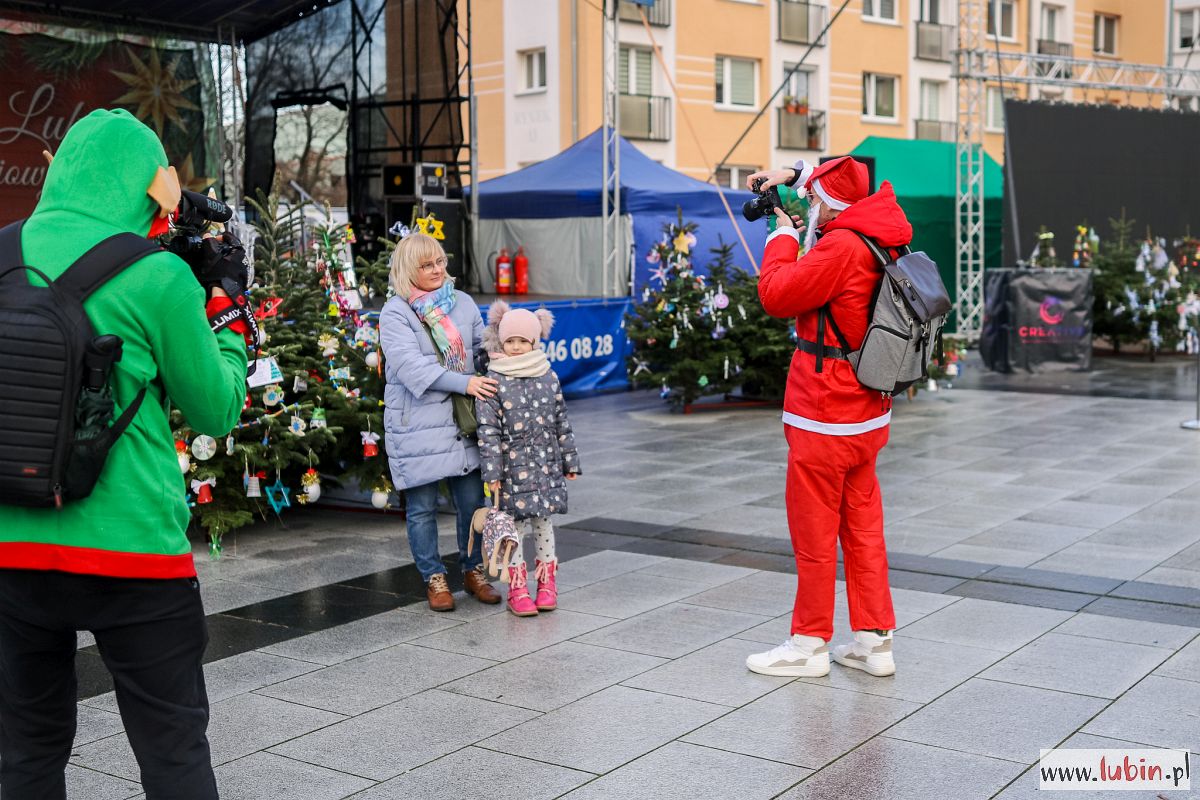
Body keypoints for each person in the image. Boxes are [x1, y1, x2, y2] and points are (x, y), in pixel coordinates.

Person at [0, 109, 249, 799]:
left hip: (9, 548)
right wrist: (225, 306)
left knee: (24, 752)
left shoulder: (1, 253)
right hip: (132, 551)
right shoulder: (159, 276)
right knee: (171, 753)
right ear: (148, 189)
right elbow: (218, 407)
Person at [743, 156, 913, 679]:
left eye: (814, 199)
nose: (808, 206)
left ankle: (809, 643)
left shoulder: (839, 246)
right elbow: (847, 168)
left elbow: (776, 293)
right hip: (867, 411)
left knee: (815, 532)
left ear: (832, 204)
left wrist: (779, 233)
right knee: (863, 528)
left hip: (825, 414)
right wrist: (791, 176)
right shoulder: (882, 232)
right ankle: (873, 640)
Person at [379, 232, 502, 611]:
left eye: (440, 262)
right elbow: (411, 368)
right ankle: (434, 578)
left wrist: (512, 346)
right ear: (407, 269)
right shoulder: (396, 312)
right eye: (426, 264)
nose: (437, 270)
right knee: (421, 508)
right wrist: (465, 382)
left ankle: (473, 569)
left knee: (472, 503)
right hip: (416, 423)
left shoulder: (462, 303)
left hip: (462, 421)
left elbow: (484, 351)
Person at [476, 301, 580, 616]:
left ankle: (547, 584)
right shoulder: (494, 380)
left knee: (544, 525)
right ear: (501, 342)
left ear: (534, 342)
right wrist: (492, 473)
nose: (517, 347)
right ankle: (517, 588)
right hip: (512, 471)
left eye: (523, 341)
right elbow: (488, 431)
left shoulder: (548, 376)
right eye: (511, 341)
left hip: (546, 465)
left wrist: (569, 462)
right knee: (515, 530)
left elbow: (561, 420)